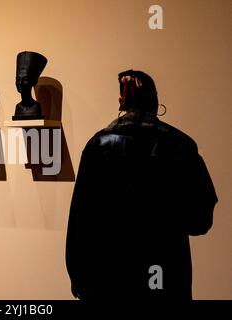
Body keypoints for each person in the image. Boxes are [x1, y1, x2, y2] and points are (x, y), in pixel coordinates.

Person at [65, 69, 218, 301]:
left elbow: (80, 219)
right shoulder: (182, 145)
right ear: (155, 101)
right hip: (165, 274)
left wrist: (78, 277)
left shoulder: (98, 145)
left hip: (108, 275)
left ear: (121, 101)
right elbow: (200, 221)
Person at [12, 51, 47, 120]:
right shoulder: (18, 107)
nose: (20, 82)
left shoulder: (36, 107)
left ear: (34, 82)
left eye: (25, 79)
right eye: (18, 79)